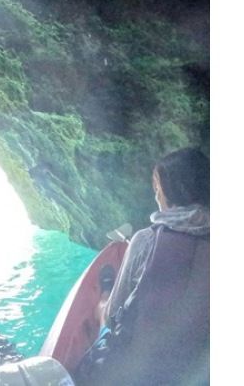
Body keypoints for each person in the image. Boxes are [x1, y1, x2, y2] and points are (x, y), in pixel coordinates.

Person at [76, 147, 210, 385]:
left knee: (104, 311)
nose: (157, 196)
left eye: (157, 189)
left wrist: (104, 306)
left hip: (138, 370)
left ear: (172, 192)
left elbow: (113, 317)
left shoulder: (146, 240)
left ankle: (104, 292)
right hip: (194, 371)